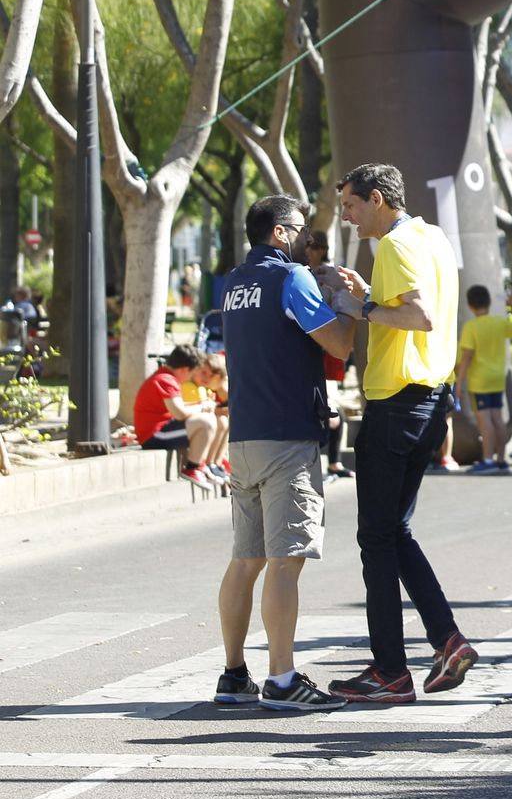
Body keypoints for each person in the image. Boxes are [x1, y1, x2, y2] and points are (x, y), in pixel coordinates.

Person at [328, 163, 478, 704]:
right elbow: (421, 303)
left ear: (375, 200)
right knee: (395, 533)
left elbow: (418, 316)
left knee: (377, 538)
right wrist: (373, 293)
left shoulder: (392, 245)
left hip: (397, 404)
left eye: (350, 205)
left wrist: (361, 306)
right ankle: (446, 641)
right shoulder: (429, 236)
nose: (346, 216)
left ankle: (391, 669)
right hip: (431, 403)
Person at [213, 195, 358, 711]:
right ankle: (281, 679)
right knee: (285, 561)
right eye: (302, 232)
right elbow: (338, 344)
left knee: (245, 559)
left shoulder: (234, 283)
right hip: (287, 440)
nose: (308, 242)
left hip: (244, 436)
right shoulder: (289, 279)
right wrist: (347, 302)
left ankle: (233, 674)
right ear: (279, 232)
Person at [301, 230, 353, 479]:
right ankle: (322, 465)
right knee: (327, 413)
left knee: (334, 413)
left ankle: (333, 464)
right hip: (309, 350)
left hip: (327, 350)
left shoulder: (330, 274)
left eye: (314, 246)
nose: (309, 250)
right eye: (307, 245)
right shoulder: (296, 274)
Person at [134, 344, 222, 488]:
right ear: (184, 369)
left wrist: (200, 404)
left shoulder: (165, 377)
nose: (190, 377)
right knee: (206, 422)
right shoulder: (166, 380)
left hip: (160, 430)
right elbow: (180, 413)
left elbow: (178, 407)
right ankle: (193, 468)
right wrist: (201, 407)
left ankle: (204, 465)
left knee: (211, 419)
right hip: (154, 435)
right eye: (191, 372)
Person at [456, 283, 512, 473]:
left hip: (479, 380)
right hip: (497, 378)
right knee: (497, 419)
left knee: (485, 421)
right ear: (490, 302)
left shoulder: (471, 326)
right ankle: (501, 460)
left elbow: (467, 356)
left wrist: (459, 383)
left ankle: (487, 460)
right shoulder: (499, 323)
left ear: (470, 305)